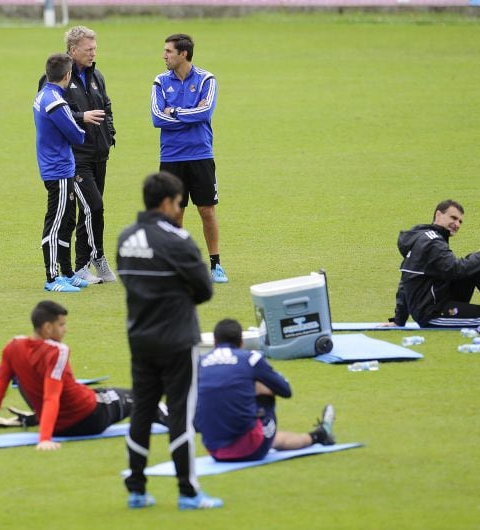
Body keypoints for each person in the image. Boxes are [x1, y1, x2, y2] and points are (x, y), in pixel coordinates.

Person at [117, 171, 222, 510]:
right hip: (177, 340)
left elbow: (128, 281)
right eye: (179, 203)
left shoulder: (125, 238)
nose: (180, 209)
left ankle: (136, 488)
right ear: (166, 203)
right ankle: (188, 492)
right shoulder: (178, 240)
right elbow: (204, 289)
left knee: (142, 413)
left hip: (140, 338)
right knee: (180, 414)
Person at [0, 301, 149, 450]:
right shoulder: (57, 351)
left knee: (100, 393)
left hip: (59, 427)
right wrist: (44, 439)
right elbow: (51, 397)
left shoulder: (12, 346)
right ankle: (166, 414)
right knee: (139, 398)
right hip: (89, 417)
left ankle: (34, 419)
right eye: (61, 325)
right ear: (47, 327)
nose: (65, 330)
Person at [38, 26, 117, 285]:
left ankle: (82, 265)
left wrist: (109, 133)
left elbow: (105, 105)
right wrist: (82, 117)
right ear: (73, 51)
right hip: (75, 157)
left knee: (89, 210)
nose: (94, 53)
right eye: (89, 49)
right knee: (93, 206)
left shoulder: (97, 76)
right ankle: (93, 258)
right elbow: (54, 113)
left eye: (95, 48)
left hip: (99, 152)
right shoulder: (55, 78)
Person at [196, 319, 336, 463]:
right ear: (241, 342)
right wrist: (257, 388)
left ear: (214, 342)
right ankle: (320, 435)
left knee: (270, 437)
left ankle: (318, 436)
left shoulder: (200, 362)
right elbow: (285, 390)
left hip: (215, 450)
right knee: (265, 394)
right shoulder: (250, 359)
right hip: (250, 448)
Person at [150, 33, 228, 284]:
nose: (164, 56)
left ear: (183, 54)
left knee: (206, 210)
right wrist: (188, 114)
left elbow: (206, 113)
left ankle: (215, 264)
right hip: (171, 157)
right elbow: (156, 118)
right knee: (174, 212)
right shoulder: (160, 82)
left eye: (168, 52)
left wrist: (173, 111)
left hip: (200, 154)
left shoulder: (207, 79)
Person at [386, 200, 480, 328]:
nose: (457, 224)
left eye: (460, 221)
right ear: (438, 215)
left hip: (441, 302)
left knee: (478, 263)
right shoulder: (432, 243)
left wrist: (398, 320)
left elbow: (405, 282)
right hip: (434, 314)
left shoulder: (424, 238)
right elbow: (454, 269)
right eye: (453, 218)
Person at [34, 52, 89, 293]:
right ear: (67, 75)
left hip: (56, 165)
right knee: (56, 223)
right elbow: (77, 134)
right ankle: (52, 276)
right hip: (58, 169)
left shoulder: (42, 95)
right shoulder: (56, 101)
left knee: (67, 219)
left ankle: (67, 272)